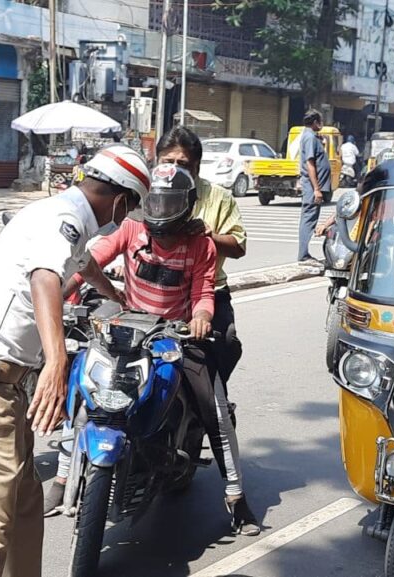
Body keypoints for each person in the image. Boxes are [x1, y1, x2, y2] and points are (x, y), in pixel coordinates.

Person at [0, 144, 150, 577]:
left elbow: (82, 264)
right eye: (129, 210)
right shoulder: (64, 219)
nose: (125, 219)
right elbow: (46, 278)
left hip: (4, 387)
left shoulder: (63, 216)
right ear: (123, 199)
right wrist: (56, 363)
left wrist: (115, 296)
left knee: (24, 508)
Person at [45, 164, 262, 536]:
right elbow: (91, 262)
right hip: (128, 328)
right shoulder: (131, 228)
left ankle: (235, 496)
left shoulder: (201, 244)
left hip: (173, 337)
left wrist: (202, 317)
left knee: (215, 409)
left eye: (169, 204)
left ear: (187, 206)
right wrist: (62, 293)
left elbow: (204, 292)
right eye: (155, 203)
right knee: (81, 386)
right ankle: (63, 479)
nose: (160, 212)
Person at [155, 126, 247, 395]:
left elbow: (239, 247)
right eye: (167, 162)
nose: (174, 169)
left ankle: (217, 414)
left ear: (195, 167)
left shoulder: (218, 198)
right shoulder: (147, 192)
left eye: (182, 164)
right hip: (158, 288)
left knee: (226, 343)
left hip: (208, 290)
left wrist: (210, 234)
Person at [297, 109, 333, 264]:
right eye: (321, 122)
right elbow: (310, 164)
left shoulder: (312, 137)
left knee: (310, 218)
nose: (322, 125)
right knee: (308, 219)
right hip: (312, 187)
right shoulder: (309, 138)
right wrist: (317, 189)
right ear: (315, 122)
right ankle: (303, 255)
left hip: (313, 186)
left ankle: (304, 254)